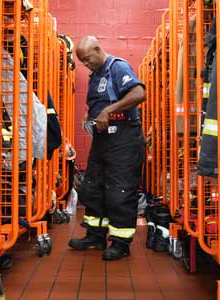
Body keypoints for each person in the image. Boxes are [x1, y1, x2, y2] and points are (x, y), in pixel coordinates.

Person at [68, 36, 145, 260]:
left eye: (87, 58)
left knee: (119, 191)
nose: (86, 64)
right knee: (93, 187)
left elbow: (139, 93)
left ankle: (121, 243)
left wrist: (108, 111)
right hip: (103, 139)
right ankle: (95, 235)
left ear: (98, 49)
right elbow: (100, 99)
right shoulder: (97, 74)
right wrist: (90, 112)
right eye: (82, 61)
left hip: (124, 137)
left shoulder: (117, 66)